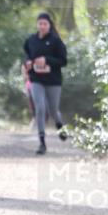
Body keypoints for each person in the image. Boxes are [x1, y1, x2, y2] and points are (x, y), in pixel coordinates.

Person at [23, 12, 68, 155]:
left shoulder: (56, 41)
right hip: (36, 79)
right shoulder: (31, 40)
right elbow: (26, 56)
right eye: (40, 23)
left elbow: (63, 61)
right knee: (40, 108)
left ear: (49, 25)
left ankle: (60, 126)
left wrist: (47, 60)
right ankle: (42, 142)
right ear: (37, 24)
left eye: (45, 24)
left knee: (54, 110)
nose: (42, 26)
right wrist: (27, 62)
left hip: (53, 81)